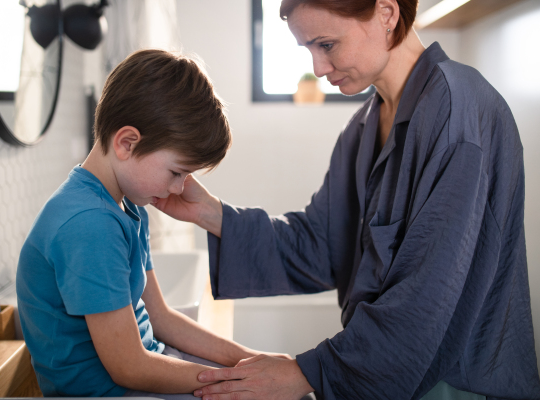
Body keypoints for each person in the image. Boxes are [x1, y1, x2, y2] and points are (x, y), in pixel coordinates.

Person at [153, 0, 540, 399]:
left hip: (449, 383)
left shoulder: (459, 112)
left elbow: (426, 300)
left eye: (327, 45)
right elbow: (321, 245)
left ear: (387, 14)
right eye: (309, 50)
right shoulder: (362, 128)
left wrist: (307, 372)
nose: (319, 69)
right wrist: (210, 213)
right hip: (387, 374)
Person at [15, 49, 296, 399]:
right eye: (176, 172)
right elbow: (129, 366)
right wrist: (236, 381)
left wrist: (248, 359)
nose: (179, 188)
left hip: (142, 369)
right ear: (126, 143)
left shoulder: (126, 208)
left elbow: (159, 317)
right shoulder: (89, 225)